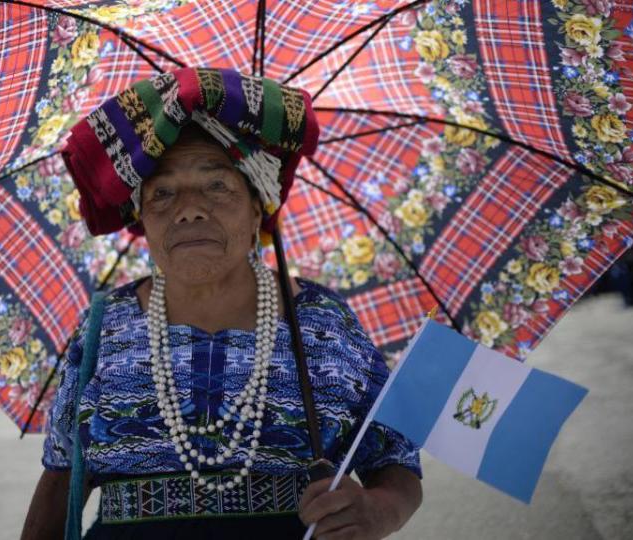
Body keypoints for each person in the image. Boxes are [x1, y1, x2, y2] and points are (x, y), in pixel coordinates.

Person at [21, 68, 422, 539]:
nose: (189, 209)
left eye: (216, 186)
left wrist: (378, 511)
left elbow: (395, 461)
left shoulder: (321, 323)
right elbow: (60, 477)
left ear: (258, 208)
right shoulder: (104, 327)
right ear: (142, 216)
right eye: (163, 193)